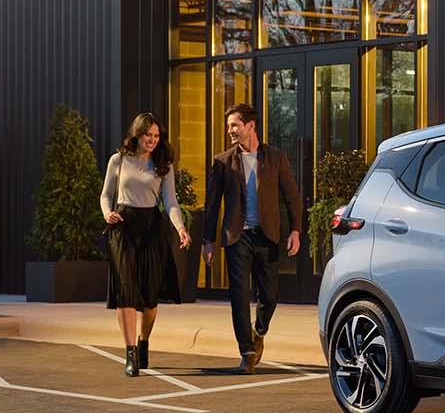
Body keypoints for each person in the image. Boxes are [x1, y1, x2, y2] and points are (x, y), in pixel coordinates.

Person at [199, 103, 301, 374]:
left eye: (234, 125)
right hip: (237, 238)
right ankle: (247, 351)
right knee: (239, 296)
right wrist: (207, 240)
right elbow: (212, 204)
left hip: (267, 237)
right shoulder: (222, 161)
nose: (230, 130)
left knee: (269, 296)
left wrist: (295, 230)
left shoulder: (276, 157)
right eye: (229, 126)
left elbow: (291, 197)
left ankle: (260, 330)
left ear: (250, 126)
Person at [102, 112, 191, 377]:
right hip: (122, 227)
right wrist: (107, 213)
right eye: (147, 135)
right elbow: (105, 195)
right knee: (126, 291)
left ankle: (143, 342)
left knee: (150, 297)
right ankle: (130, 352)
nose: (152, 140)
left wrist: (180, 228)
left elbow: (170, 202)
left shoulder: (163, 165)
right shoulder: (118, 160)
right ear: (137, 134)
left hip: (152, 228)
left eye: (156, 136)